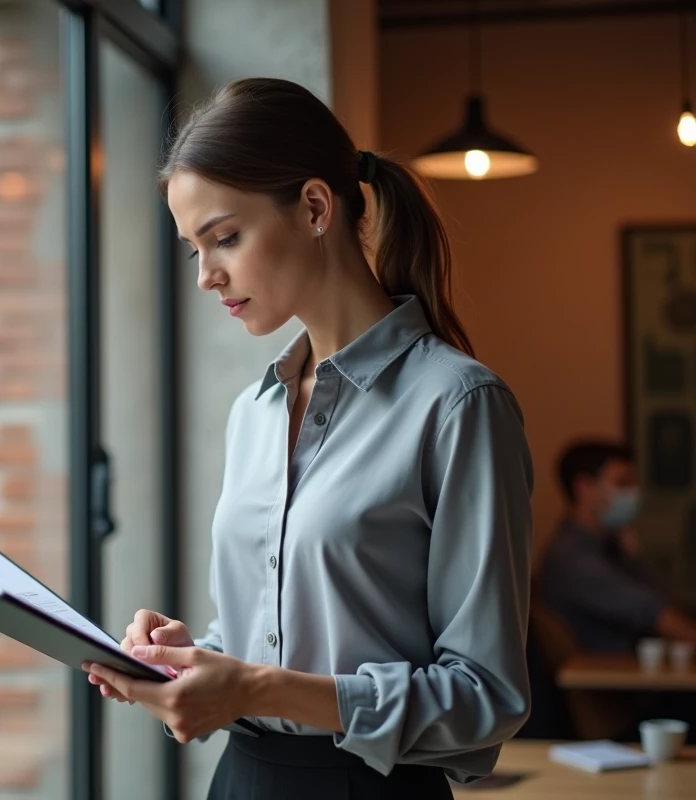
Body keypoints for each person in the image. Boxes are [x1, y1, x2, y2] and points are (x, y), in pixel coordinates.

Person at [80, 78, 534, 800]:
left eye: (225, 237)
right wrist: (186, 661)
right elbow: (260, 641)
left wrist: (256, 685)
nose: (207, 276)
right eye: (193, 249)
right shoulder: (253, 413)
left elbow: (484, 700)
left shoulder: (458, 406)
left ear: (316, 208)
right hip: (241, 781)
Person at [536, 440, 696, 652]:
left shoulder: (612, 547)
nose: (633, 494)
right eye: (622, 483)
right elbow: (656, 614)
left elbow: (661, 599)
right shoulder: (573, 557)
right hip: (609, 679)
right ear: (584, 489)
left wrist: (634, 556)